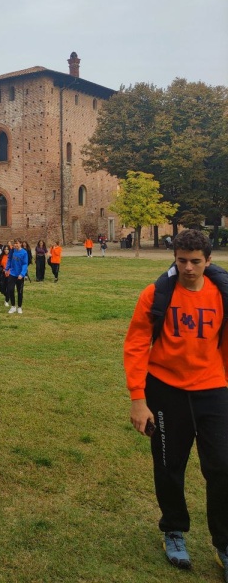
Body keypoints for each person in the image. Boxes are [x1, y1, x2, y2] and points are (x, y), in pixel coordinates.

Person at [123, 229, 228, 577]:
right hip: (166, 389)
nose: (188, 268)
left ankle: (224, 543)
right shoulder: (156, 294)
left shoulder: (222, 294)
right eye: (181, 261)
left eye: (195, 261)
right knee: (169, 465)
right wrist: (138, 399)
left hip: (213, 389)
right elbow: (136, 345)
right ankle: (173, 529)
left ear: (208, 260)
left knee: (222, 466)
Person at [5, 239, 28, 314]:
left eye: (17, 243)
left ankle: (19, 307)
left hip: (19, 275)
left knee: (20, 291)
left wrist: (22, 274)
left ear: (20, 244)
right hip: (12, 273)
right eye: (14, 243)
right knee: (11, 289)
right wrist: (6, 269)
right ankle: (13, 306)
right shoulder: (12, 251)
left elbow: (25, 264)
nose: (15, 245)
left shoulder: (24, 253)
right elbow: (9, 260)